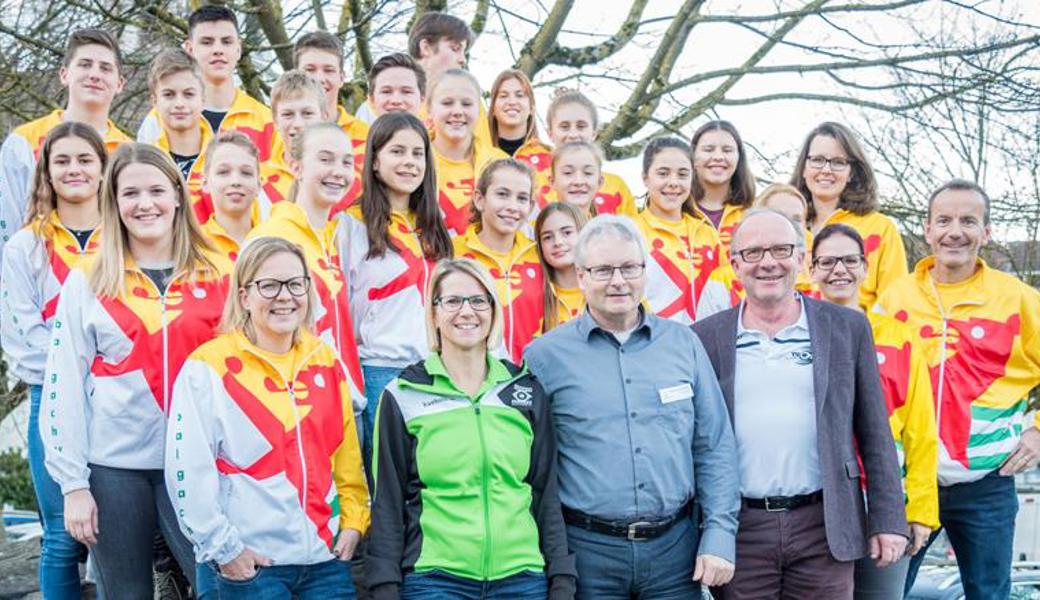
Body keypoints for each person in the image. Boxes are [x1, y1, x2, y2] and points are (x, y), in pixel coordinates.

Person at [691, 208, 908, 599]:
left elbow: (875, 431)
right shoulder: (704, 338)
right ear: (734, 263)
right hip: (740, 528)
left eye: (781, 249)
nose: (768, 262)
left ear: (801, 259)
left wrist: (889, 518)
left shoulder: (847, 327)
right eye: (754, 253)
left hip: (824, 525)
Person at [40, 143, 227, 598]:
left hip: (200, 465)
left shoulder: (220, 274)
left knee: (218, 587)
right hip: (115, 469)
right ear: (114, 202)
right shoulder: (88, 280)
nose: (145, 204)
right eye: (131, 193)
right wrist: (73, 486)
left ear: (179, 196)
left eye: (157, 190)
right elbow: (62, 385)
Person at [524, 214, 739, 599]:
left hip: (676, 553)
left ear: (645, 270)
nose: (618, 280)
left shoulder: (684, 344)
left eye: (629, 267)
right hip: (587, 555)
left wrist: (719, 534)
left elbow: (714, 445)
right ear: (581, 274)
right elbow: (532, 468)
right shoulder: (544, 357)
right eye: (603, 269)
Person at [166, 236, 369, 598]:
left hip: (325, 563)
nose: (284, 296)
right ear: (244, 296)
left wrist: (354, 522)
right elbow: (188, 472)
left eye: (295, 284)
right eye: (269, 285)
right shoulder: (207, 368)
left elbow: (345, 455)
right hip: (251, 567)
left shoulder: (325, 359)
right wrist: (227, 551)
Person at [366, 258, 576, 600]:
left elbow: (545, 492)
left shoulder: (524, 389)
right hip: (435, 580)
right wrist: (385, 587)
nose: (467, 311)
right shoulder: (403, 394)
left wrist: (562, 578)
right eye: (452, 301)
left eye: (479, 300)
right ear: (433, 313)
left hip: (522, 578)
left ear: (493, 311)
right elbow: (387, 502)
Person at [876, 180, 1040, 599]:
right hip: (909, 484)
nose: (955, 231)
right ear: (927, 229)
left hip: (986, 483)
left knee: (988, 594)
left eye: (969, 221)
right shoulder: (896, 297)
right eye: (944, 220)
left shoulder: (1018, 299)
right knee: (884, 593)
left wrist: (1038, 429)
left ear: (986, 232)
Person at [0, 123, 105, 599]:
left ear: (103, 169)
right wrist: (74, 370)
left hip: (120, 397)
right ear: (45, 172)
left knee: (128, 533)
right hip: (54, 399)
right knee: (64, 533)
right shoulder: (25, 246)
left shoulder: (125, 239)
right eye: (62, 161)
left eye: (85, 159)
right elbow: (23, 336)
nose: (74, 169)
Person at [810, 223, 939, 599]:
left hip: (881, 503)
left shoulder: (899, 337)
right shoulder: (794, 331)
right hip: (816, 503)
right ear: (811, 268)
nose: (839, 270)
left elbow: (921, 432)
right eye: (828, 261)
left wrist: (919, 511)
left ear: (865, 268)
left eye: (850, 260)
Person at [341, 111, 453, 469]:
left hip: (436, 370)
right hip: (379, 372)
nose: (409, 162)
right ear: (374, 161)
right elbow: (342, 305)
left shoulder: (434, 226)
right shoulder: (349, 224)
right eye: (397, 152)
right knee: (385, 484)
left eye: (417, 153)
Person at [247, 122, 365, 421]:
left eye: (346, 162)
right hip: (298, 405)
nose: (338, 171)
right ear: (295, 166)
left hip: (343, 399)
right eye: (325, 159)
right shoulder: (273, 237)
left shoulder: (336, 237)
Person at [0, 28, 129, 261]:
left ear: (119, 83)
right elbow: (6, 223)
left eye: (105, 68)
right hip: (37, 278)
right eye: (85, 64)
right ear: (64, 74)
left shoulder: (130, 153)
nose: (94, 74)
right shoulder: (24, 142)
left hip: (111, 279)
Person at [790, 121, 907, 309]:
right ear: (804, 168)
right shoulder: (786, 227)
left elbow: (895, 302)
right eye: (818, 160)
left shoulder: (881, 228)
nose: (826, 170)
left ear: (851, 172)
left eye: (838, 162)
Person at [137, 5, 274, 161]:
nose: (218, 50)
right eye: (207, 42)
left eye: (226, 42)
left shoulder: (265, 121)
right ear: (189, 49)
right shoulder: (160, 118)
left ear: (238, 48)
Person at [452, 158, 543, 363]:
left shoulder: (540, 256)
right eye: (502, 194)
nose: (512, 206)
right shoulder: (452, 254)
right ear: (479, 199)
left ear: (530, 206)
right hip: (470, 380)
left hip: (530, 380)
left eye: (521, 198)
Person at [633, 137, 722, 324]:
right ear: (645, 178)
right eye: (663, 173)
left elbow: (725, 290)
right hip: (651, 342)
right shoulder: (631, 233)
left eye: (682, 174)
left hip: (706, 343)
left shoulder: (707, 234)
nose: (673, 182)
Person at [427, 68, 509, 236]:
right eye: (447, 103)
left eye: (466, 104)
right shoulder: (413, 161)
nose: (457, 112)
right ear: (429, 109)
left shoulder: (501, 164)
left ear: (479, 110)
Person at [294, 31, 369, 213]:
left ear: (342, 78)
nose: (320, 78)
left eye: (328, 70)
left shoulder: (367, 136)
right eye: (310, 70)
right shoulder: (278, 134)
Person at [145, 48, 215, 222]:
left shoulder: (222, 159)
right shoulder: (145, 162)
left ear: (203, 99)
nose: (179, 104)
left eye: (188, 94)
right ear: (155, 101)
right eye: (169, 95)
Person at [542, 89, 637, 215]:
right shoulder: (533, 183)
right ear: (550, 133)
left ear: (594, 132)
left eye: (581, 126)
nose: (573, 134)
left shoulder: (616, 187)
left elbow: (632, 232)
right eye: (564, 127)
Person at [404, 11, 493, 145]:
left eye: (464, 52)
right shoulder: (391, 101)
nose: (463, 60)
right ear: (426, 47)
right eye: (455, 49)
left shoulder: (470, 104)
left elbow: (484, 158)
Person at [199, 131, 267, 270]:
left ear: (259, 184)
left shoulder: (274, 240)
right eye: (223, 172)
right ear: (205, 182)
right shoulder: (193, 245)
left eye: (246, 173)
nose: (236, 181)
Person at [489, 69, 554, 214]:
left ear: (531, 108)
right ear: (493, 108)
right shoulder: (480, 156)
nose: (512, 102)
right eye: (503, 96)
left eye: (520, 95)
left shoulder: (551, 159)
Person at [260, 70, 329, 205]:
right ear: (275, 121)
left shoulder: (341, 176)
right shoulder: (258, 178)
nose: (298, 124)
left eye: (307, 113)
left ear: (324, 118)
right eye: (288, 114)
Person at [690, 120, 756, 259]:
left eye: (727, 150)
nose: (718, 157)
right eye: (708, 150)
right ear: (693, 157)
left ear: (739, 157)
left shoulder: (755, 213)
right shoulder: (676, 211)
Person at [753, 182, 814, 294]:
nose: (789, 225)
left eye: (796, 219)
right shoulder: (729, 278)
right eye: (780, 217)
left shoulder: (821, 275)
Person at [535, 202, 587, 331]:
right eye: (547, 237)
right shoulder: (535, 295)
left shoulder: (605, 288)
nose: (558, 242)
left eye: (567, 232)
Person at [357, 53, 425, 124]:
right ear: (372, 99)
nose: (396, 101)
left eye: (406, 91)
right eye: (386, 91)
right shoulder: (357, 132)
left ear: (422, 99)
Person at [548, 141, 605, 219]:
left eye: (588, 173)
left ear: (600, 182)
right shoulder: (541, 228)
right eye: (568, 173)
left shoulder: (605, 229)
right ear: (552, 181)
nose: (579, 181)